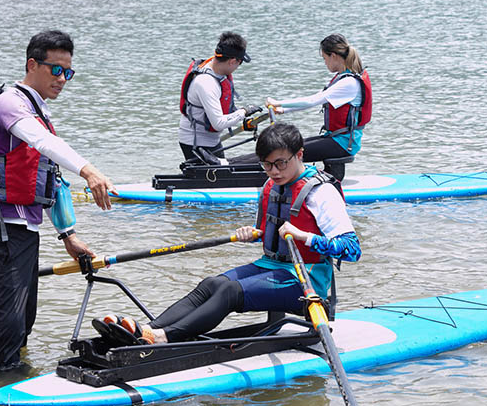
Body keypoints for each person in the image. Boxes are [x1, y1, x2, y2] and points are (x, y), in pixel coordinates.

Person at [95, 122, 361, 346]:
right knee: (212, 283)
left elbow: (352, 250)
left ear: (300, 154)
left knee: (230, 291)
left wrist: (305, 237)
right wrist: (254, 233)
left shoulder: (321, 192)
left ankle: (163, 337)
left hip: (307, 280)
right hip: (271, 266)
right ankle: (144, 332)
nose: (274, 172)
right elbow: (268, 233)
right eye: (267, 165)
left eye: (281, 163)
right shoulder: (271, 184)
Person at [0, 29, 115, 372]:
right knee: (10, 322)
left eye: (68, 72)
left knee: (25, 318)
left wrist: (68, 235)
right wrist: (90, 171)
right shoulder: (9, 103)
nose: (63, 79)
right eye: (56, 70)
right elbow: (42, 144)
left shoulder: (39, 110)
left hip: (23, 231)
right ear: (32, 64)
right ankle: (5, 389)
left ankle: (10, 383)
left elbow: (51, 177)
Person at [265, 34, 372, 181]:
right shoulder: (342, 78)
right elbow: (315, 97)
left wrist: (279, 102)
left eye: (325, 58)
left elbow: (311, 101)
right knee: (287, 146)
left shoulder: (349, 83)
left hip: (342, 144)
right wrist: (284, 109)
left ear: (333, 55)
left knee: (285, 152)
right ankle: (232, 164)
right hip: (335, 138)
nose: (325, 63)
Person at [178, 31, 261, 166]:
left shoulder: (216, 68)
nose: (237, 68)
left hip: (210, 140)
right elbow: (219, 123)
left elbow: (223, 105)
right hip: (196, 144)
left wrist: (244, 120)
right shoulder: (206, 83)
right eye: (239, 64)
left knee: (224, 172)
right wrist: (243, 112)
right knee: (214, 181)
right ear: (233, 61)